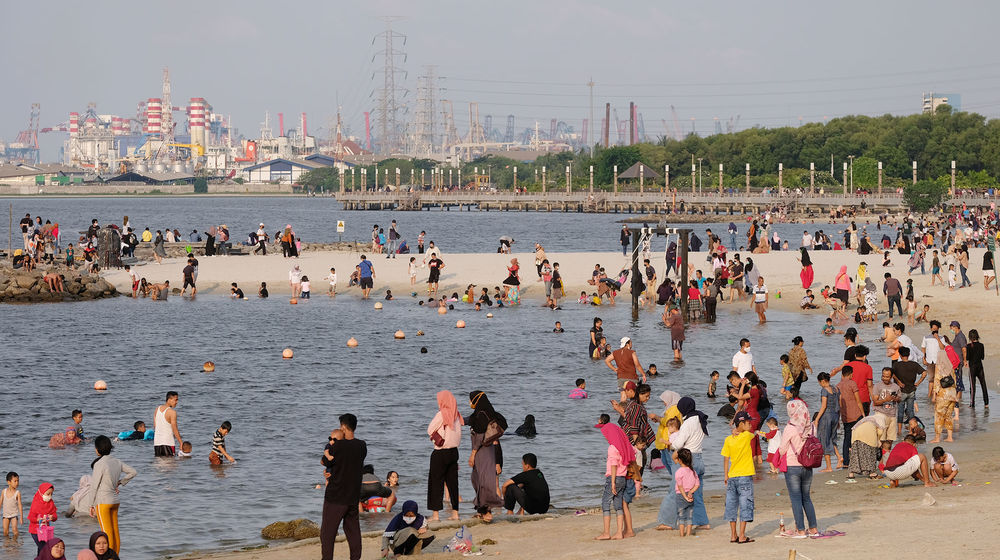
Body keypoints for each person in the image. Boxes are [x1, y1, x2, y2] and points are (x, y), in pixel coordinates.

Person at [320, 413, 367, 560]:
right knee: (353, 531)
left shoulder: (338, 446)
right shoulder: (362, 446)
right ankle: (355, 558)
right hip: (352, 496)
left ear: (343, 427)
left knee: (328, 533)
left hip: (336, 496)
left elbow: (324, 461)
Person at [85, 436, 136, 554]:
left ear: (97, 449)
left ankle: (110, 558)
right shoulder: (117, 461)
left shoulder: (99, 464)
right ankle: (115, 556)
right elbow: (133, 472)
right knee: (115, 532)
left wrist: (91, 505)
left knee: (106, 533)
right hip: (115, 501)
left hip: (103, 502)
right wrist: (121, 482)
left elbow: (94, 486)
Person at [778, 399, 820, 537]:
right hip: (808, 466)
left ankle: (800, 530)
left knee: (796, 498)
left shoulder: (790, 428)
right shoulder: (812, 427)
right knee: (806, 497)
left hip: (792, 467)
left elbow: (782, 449)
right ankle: (813, 529)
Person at [467, 391, 506, 523]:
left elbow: (479, 437)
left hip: (482, 452)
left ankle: (487, 510)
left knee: (483, 481)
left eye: (471, 400)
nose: (470, 403)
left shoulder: (481, 415)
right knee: (477, 479)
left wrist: (472, 455)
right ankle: (481, 509)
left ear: (476, 400)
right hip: (487, 451)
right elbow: (469, 420)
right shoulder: (487, 413)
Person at [427, 391, 462, 522]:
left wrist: (436, 435)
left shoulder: (442, 414)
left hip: (440, 452)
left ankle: (436, 515)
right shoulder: (457, 415)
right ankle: (455, 513)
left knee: (436, 482)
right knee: (453, 483)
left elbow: (429, 429)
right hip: (454, 452)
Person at [722, 411, 756, 544]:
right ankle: (741, 535)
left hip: (732, 476)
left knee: (731, 505)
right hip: (745, 476)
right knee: (745, 504)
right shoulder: (747, 435)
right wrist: (739, 430)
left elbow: (726, 458)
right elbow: (755, 433)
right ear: (741, 424)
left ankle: (733, 535)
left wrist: (725, 475)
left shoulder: (728, 439)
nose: (750, 425)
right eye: (748, 423)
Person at [596, 423, 632, 540]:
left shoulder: (612, 448)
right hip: (622, 478)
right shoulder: (622, 446)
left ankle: (606, 532)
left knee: (605, 503)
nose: (606, 437)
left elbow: (613, 465)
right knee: (618, 505)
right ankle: (619, 532)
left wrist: (612, 483)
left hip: (614, 478)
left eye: (606, 435)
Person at [814, 372, 843, 471]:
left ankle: (829, 467)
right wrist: (838, 419)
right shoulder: (836, 389)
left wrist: (817, 419)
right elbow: (839, 405)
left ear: (822, 381)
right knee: (832, 438)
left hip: (826, 416)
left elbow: (823, 406)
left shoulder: (824, 390)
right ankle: (839, 457)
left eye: (819, 382)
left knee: (824, 439)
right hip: (835, 415)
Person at [847, 414, 887, 480]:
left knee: (855, 455)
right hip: (868, 436)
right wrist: (878, 440)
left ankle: (851, 474)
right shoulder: (879, 420)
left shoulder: (867, 419)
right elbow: (880, 432)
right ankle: (872, 473)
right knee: (870, 454)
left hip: (855, 434)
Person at [837, 366, 864, 467]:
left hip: (845, 416)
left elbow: (838, 404)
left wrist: (839, 417)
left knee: (846, 438)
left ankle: (846, 462)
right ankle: (859, 460)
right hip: (856, 414)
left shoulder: (838, 386)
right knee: (858, 438)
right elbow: (858, 401)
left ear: (842, 374)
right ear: (851, 374)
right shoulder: (852, 383)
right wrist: (863, 414)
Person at [673, 448, 700, 537]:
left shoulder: (679, 472)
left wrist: (685, 496)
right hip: (691, 495)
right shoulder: (693, 471)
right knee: (690, 515)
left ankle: (681, 534)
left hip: (681, 496)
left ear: (680, 460)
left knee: (681, 515)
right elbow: (697, 484)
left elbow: (680, 486)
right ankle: (688, 534)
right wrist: (690, 492)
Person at [28, 483, 56, 552]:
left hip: (46, 531)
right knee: (45, 549)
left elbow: (55, 515)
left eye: (51, 494)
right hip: (35, 531)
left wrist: (52, 517)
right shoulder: (35, 503)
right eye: (48, 494)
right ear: (41, 493)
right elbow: (30, 518)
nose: (50, 496)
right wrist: (37, 520)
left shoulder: (51, 503)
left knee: (41, 550)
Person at [966, 329, 987, 408]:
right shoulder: (981, 345)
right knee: (983, 384)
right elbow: (982, 357)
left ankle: (972, 404)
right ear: (977, 336)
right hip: (980, 367)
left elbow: (967, 358)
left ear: (970, 337)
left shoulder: (968, 346)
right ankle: (986, 403)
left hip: (972, 368)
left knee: (972, 386)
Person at [2, 472, 22, 537]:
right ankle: (7, 544)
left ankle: (15, 543)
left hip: (14, 514)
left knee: (14, 530)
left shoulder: (17, 493)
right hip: (5, 514)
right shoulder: (4, 491)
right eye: (15, 481)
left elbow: (19, 505)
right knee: (5, 531)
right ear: (9, 482)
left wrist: (21, 517)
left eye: (18, 481)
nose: (17, 483)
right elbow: (0, 502)